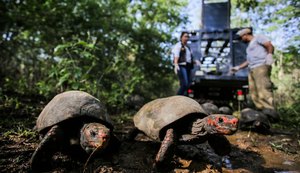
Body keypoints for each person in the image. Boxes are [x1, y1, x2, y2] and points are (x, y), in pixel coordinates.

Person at [231, 28, 279, 130]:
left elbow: (269, 45)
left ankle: (270, 112)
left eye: (241, 37)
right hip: (252, 68)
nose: (241, 39)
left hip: (261, 66)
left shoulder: (258, 38)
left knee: (263, 88)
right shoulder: (249, 46)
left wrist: (270, 55)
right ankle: (261, 112)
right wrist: (239, 67)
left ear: (246, 34)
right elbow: (248, 61)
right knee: (254, 91)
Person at [172, 31, 200, 96]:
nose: (186, 38)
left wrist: (195, 62)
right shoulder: (178, 45)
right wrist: (176, 65)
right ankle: (177, 97)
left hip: (188, 67)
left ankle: (183, 96)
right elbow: (176, 56)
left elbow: (188, 59)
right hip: (181, 66)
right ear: (181, 37)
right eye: (185, 36)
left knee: (188, 84)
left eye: (187, 37)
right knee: (184, 83)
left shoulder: (188, 47)